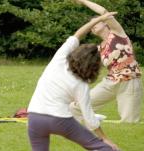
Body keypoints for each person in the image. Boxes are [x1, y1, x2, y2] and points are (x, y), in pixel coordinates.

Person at [27, 12, 120, 151]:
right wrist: (105, 139)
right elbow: (89, 119)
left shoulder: (59, 59)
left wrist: (99, 19)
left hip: (34, 117)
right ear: (94, 66)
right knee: (104, 148)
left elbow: (78, 34)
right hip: (60, 120)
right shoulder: (81, 85)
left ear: (76, 53)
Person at [70, 0, 143, 123]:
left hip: (129, 81)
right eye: (91, 25)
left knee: (129, 122)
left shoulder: (117, 33)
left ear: (105, 23)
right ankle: (93, 117)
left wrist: (82, 1)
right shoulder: (99, 48)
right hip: (110, 83)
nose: (93, 25)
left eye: (96, 22)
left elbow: (104, 12)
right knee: (76, 107)